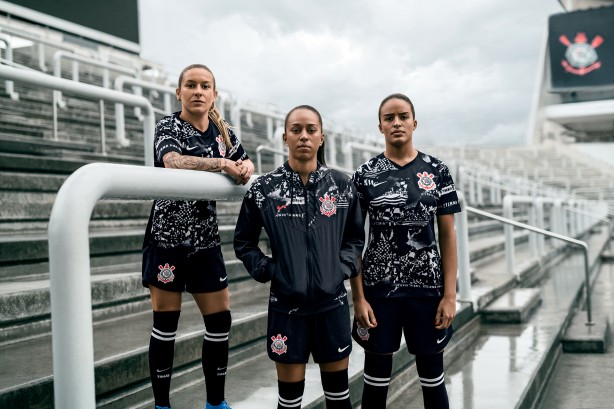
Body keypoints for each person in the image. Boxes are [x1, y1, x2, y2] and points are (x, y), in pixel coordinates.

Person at [234, 105, 364, 409]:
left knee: (338, 398)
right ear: (284, 137)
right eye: (296, 130)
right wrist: (270, 270)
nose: (303, 136)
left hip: (331, 306)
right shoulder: (265, 189)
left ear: (321, 138)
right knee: (289, 401)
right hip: (286, 309)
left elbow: (355, 238)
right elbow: (244, 242)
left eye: (310, 130)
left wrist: (339, 268)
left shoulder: (343, 186)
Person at [141, 63, 254, 409]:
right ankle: (162, 405)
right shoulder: (168, 125)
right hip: (167, 239)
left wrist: (245, 166)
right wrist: (221, 165)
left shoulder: (224, 132)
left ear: (214, 94)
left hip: (205, 242)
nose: (198, 91)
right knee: (166, 324)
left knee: (220, 320)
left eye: (205, 86)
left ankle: (215, 403)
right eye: (190, 85)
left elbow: (243, 161)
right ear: (179, 92)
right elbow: (172, 162)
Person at [350, 93, 461, 409]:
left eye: (402, 116)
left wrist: (449, 295)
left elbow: (448, 236)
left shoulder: (436, 170)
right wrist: (358, 298)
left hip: (427, 292)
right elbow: (354, 240)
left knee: (432, 378)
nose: (396, 123)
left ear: (414, 122)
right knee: (375, 381)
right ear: (380, 126)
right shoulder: (365, 174)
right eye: (389, 118)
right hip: (379, 293)